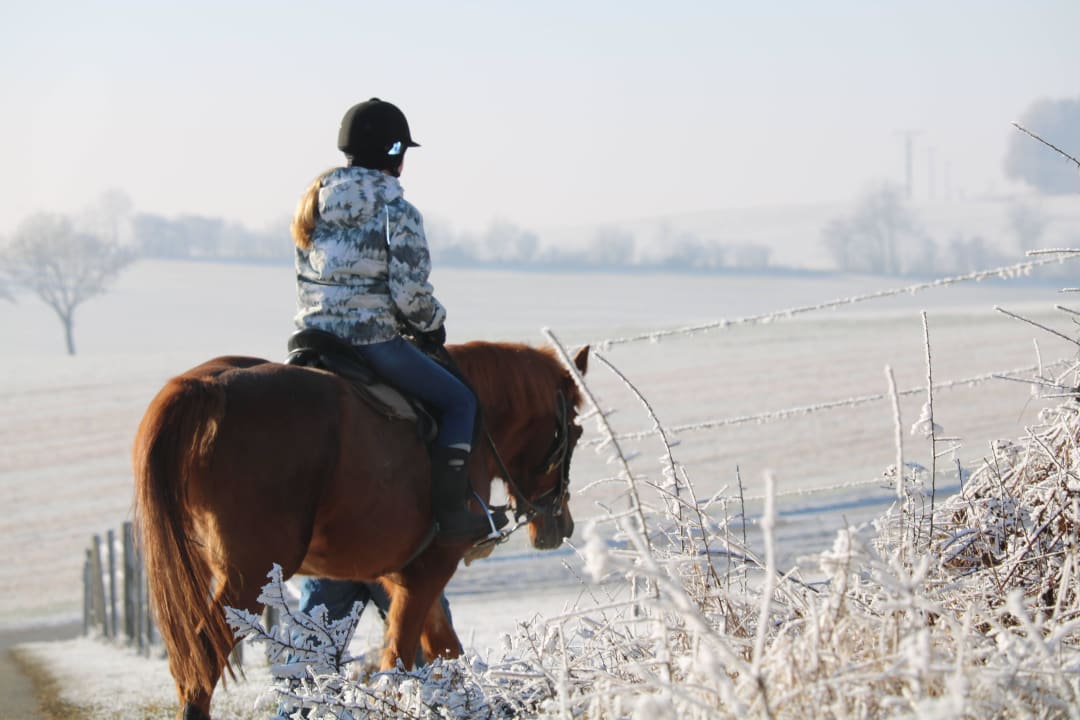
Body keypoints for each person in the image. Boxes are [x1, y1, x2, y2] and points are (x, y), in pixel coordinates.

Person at [290, 97, 505, 544]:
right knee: (461, 401)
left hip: (310, 338)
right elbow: (409, 295)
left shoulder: (312, 204)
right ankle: (451, 515)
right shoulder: (397, 212)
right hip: (370, 342)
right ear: (395, 154)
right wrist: (431, 324)